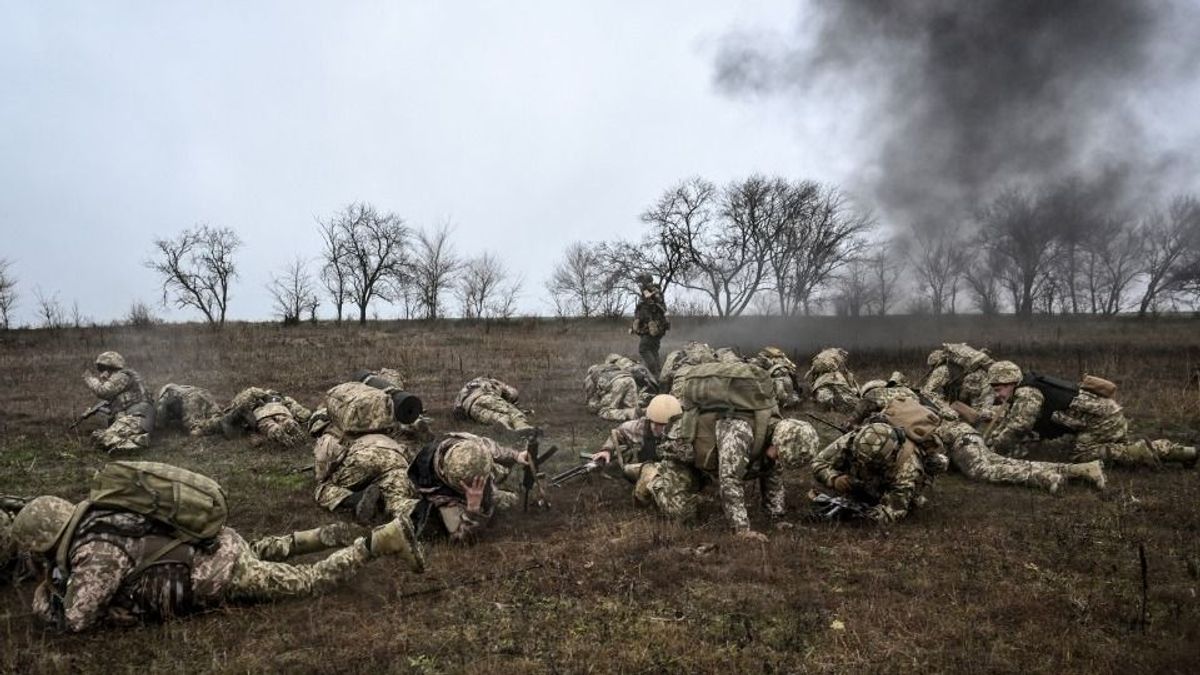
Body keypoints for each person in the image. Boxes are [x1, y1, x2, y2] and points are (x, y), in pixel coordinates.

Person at [9, 496, 423, 633]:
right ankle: (310, 539)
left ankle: (378, 542)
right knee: (255, 552)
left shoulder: (92, 551)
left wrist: (44, 594)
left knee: (307, 582)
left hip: (216, 572)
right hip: (217, 542)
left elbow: (77, 619)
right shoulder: (101, 514)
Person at [599, 394, 819, 541]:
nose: (778, 460)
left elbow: (772, 476)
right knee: (682, 514)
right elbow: (730, 479)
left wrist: (776, 517)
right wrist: (742, 530)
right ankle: (651, 475)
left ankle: (693, 484)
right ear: (778, 442)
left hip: (704, 462)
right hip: (681, 458)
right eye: (780, 454)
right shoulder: (740, 432)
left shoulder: (774, 434)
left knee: (701, 497)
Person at [853, 379, 1105, 493]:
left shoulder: (881, 398)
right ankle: (1081, 470)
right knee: (1001, 462)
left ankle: (1046, 478)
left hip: (956, 438)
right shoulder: (911, 395)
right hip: (961, 434)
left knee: (983, 471)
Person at [986, 362, 1197, 468]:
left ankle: (1172, 452)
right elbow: (1012, 422)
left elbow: (1019, 426)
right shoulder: (1027, 387)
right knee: (1101, 448)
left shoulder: (1027, 393)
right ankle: (1177, 452)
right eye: (995, 389)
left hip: (1103, 421)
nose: (998, 394)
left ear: (1012, 382)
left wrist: (993, 449)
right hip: (1102, 416)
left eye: (1000, 388)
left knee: (1082, 456)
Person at [312, 381, 425, 524]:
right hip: (395, 457)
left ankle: (356, 499)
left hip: (363, 458)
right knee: (395, 498)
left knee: (323, 489)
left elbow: (321, 473)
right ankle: (419, 512)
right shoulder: (390, 426)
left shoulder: (332, 433)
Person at [397, 432, 531, 544]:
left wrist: (516, 455)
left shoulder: (466, 445)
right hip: (462, 500)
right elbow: (460, 539)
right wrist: (472, 510)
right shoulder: (441, 497)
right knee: (503, 503)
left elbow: (492, 448)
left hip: (475, 484)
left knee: (512, 499)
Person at [810, 421, 932, 523]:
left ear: (890, 457)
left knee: (915, 504)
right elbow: (819, 462)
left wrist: (862, 515)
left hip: (887, 487)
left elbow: (894, 510)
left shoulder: (907, 468)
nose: (862, 466)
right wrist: (833, 479)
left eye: (869, 464)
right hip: (865, 481)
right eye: (858, 459)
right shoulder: (857, 439)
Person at [81, 351, 154, 452]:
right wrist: (95, 411)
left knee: (100, 439)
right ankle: (131, 440)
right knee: (99, 438)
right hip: (138, 419)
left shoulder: (121, 376)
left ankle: (137, 441)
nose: (102, 373)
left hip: (136, 418)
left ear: (111, 367)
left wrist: (89, 378)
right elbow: (116, 409)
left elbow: (103, 391)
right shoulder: (125, 379)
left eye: (103, 368)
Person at [217, 387, 312, 448]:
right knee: (289, 423)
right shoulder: (283, 398)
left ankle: (279, 433)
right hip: (281, 410)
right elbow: (302, 414)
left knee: (272, 428)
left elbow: (233, 415)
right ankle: (297, 442)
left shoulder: (249, 399)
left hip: (261, 415)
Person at [920, 343, 995, 409]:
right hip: (978, 381)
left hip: (968, 385)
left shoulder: (941, 369)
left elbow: (928, 391)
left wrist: (942, 407)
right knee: (978, 408)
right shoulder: (961, 365)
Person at [584, 354, 656, 422]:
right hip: (629, 380)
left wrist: (597, 404)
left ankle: (628, 414)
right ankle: (639, 412)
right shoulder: (611, 367)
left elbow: (589, 401)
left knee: (604, 411)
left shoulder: (589, 379)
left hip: (618, 382)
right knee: (631, 408)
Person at [452, 377, 537, 434]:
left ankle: (507, 430)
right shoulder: (494, 382)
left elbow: (457, 411)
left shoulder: (465, 390)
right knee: (514, 412)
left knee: (501, 418)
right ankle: (524, 428)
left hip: (472, 409)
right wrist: (511, 402)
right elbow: (512, 393)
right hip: (485, 397)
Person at [630, 273, 669, 376]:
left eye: (642, 283)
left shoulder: (653, 293)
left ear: (646, 282)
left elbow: (654, 308)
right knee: (653, 350)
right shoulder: (648, 292)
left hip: (653, 328)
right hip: (651, 328)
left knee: (643, 349)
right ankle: (659, 373)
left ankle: (655, 373)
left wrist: (650, 296)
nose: (640, 285)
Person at [154, 384, 223, 436]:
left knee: (194, 428)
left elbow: (161, 410)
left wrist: (159, 425)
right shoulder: (181, 387)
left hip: (191, 399)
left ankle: (215, 427)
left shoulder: (166, 393)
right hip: (204, 393)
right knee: (216, 413)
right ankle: (223, 421)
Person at [805, 348, 860, 413]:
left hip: (821, 385)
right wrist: (856, 391)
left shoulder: (818, 366)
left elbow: (807, 378)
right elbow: (848, 377)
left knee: (824, 399)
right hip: (837, 381)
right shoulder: (839, 363)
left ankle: (830, 407)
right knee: (851, 402)